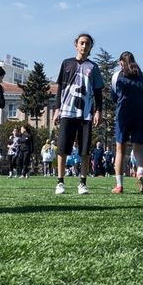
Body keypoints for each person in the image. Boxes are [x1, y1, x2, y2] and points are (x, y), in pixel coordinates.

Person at [52, 33, 104, 195]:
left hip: (85, 114)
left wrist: (98, 111)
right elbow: (60, 88)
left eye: (87, 44)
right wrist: (57, 109)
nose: (84, 46)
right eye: (81, 43)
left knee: (85, 150)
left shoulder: (93, 67)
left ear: (90, 47)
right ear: (76, 45)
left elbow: (97, 92)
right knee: (62, 149)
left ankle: (82, 183)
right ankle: (60, 182)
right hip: (67, 111)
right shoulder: (66, 63)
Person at [109, 51, 143, 194]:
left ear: (121, 62)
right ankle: (140, 174)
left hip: (123, 115)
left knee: (120, 150)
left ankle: (119, 186)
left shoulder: (117, 76)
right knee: (138, 151)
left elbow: (114, 97)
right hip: (141, 115)